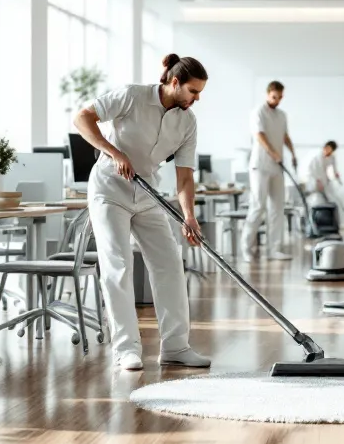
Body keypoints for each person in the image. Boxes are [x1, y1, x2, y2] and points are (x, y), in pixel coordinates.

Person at [73, 53, 211, 372]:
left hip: (148, 191)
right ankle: (126, 349)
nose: (197, 99)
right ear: (174, 82)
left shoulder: (187, 121)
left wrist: (189, 216)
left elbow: (185, 176)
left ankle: (176, 346)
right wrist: (114, 151)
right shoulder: (133, 96)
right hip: (110, 187)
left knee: (169, 263)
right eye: (193, 91)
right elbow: (83, 117)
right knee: (118, 265)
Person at [242, 80, 297, 262]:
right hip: (260, 166)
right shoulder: (258, 112)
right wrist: (273, 153)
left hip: (277, 167)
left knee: (277, 208)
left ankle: (275, 249)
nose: (277, 100)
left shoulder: (282, 115)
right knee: (258, 206)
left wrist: (293, 153)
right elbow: (259, 135)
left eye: (280, 97)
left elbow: (285, 136)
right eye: (274, 97)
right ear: (268, 94)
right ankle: (247, 249)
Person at [305, 140, 343, 207]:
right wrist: (318, 181)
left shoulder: (332, 157)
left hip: (324, 177)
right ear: (325, 147)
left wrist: (336, 176)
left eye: (331, 150)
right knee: (315, 195)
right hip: (314, 178)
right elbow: (314, 169)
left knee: (328, 195)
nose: (328, 151)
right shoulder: (317, 155)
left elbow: (334, 169)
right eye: (327, 149)